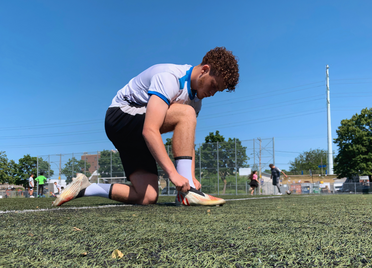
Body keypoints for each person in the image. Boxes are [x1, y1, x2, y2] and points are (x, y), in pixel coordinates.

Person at [53, 47, 239, 206]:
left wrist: (190, 176)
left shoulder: (196, 100)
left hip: (136, 134)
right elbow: (150, 129)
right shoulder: (170, 77)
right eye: (214, 86)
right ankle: (186, 195)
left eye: (218, 91)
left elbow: (188, 140)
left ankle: (86, 188)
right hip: (120, 117)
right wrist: (175, 175)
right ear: (204, 70)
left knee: (147, 196)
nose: (213, 93)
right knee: (186, 113)